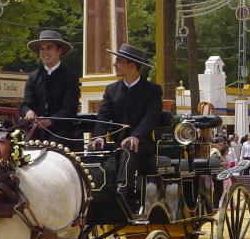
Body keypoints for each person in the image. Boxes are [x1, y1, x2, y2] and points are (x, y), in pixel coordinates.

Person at [89, 43, 163, 188]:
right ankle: (93, 191)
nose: (114, 64)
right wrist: (99, 137)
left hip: (141, 144)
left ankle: (121, 190)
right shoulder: (111, 90)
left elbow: (151, 117)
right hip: (116, 143)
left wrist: (136, 136)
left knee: (129, 147)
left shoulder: (152, 90)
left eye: (118, 61)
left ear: (131, 65)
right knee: (93, 148)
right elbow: (103, 115)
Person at [20, 30, 80, 145]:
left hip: (61, 133)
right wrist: (28, 111)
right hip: (35, 132)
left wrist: (51, 121)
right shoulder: (33, 77)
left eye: (49, 48)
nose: (45, 52)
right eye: (42, 49)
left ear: (59, 51)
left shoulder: (70, 76)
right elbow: (25, 104)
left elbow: (70, 109)